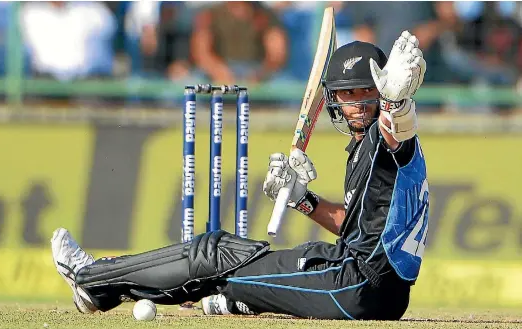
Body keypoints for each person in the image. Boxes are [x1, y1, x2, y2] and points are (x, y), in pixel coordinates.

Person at [51, 31, 429, 320]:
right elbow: (358, 227)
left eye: (367, 91)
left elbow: (398, 133)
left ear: (383, 92)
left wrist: (398, 103)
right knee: (227, 255)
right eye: (348, 93)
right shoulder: (366, 148)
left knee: (214, 259)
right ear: (335, 100)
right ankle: (220, 299)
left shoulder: (387, 137)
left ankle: (93, 280)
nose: (358, 102)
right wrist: (303, 199)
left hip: (356, 285)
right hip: (359, 278)